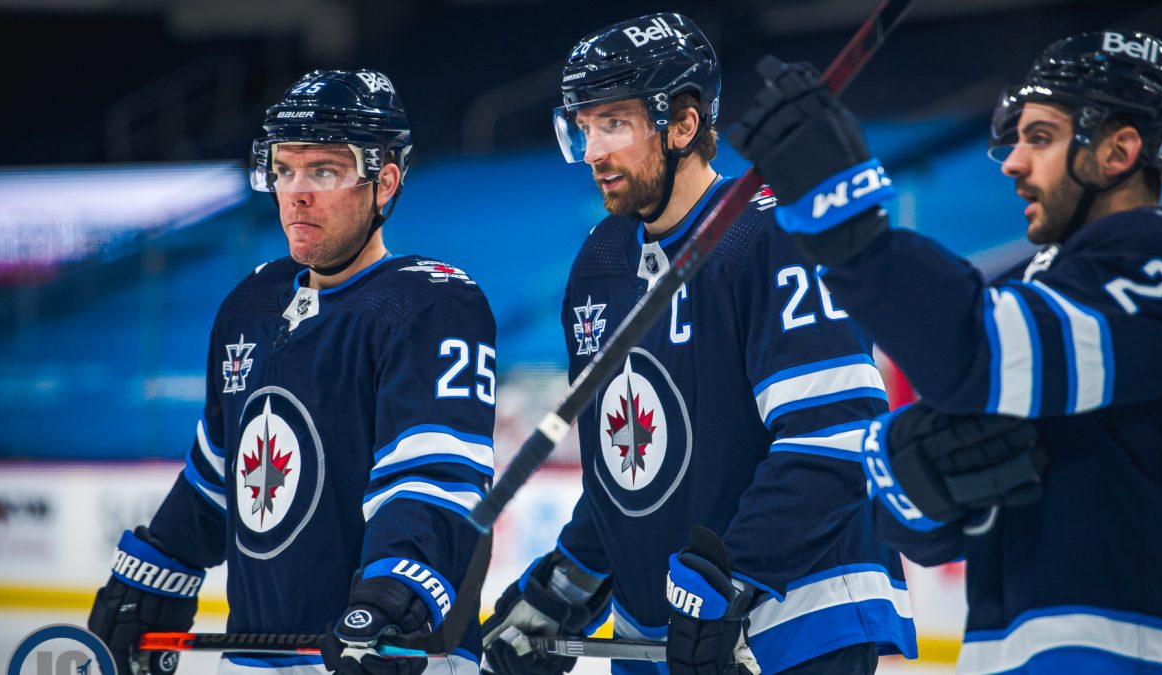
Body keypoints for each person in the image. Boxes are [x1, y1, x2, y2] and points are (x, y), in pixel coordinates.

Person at [729, 30, 1162, 672]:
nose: (1012, 163)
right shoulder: (1048, 294)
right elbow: (934, 532)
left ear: (1119, 150)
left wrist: (846, 217)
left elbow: (975, 351)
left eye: (1040, 138)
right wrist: (916, 480)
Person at [480, 13, 917, 675]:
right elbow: (628, 478)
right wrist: (563, 586)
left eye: (614, 123)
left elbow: (834, 439)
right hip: (663, 641)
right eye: (584, 127)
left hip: (791, 629)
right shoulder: (600, 262)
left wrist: (730, 577)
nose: (593, 150)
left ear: (684, 125)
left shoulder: (773, 235)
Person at [87, 69, 496, 675]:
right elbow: (221, 467)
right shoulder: (250, 303)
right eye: (284, 170)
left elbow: (436, 477)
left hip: (385, 654)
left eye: (324, 171)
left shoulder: (430, 303)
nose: (296, 193)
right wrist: (160, 566)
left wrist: (396, 594)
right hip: (255, 655)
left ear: (384, 182)